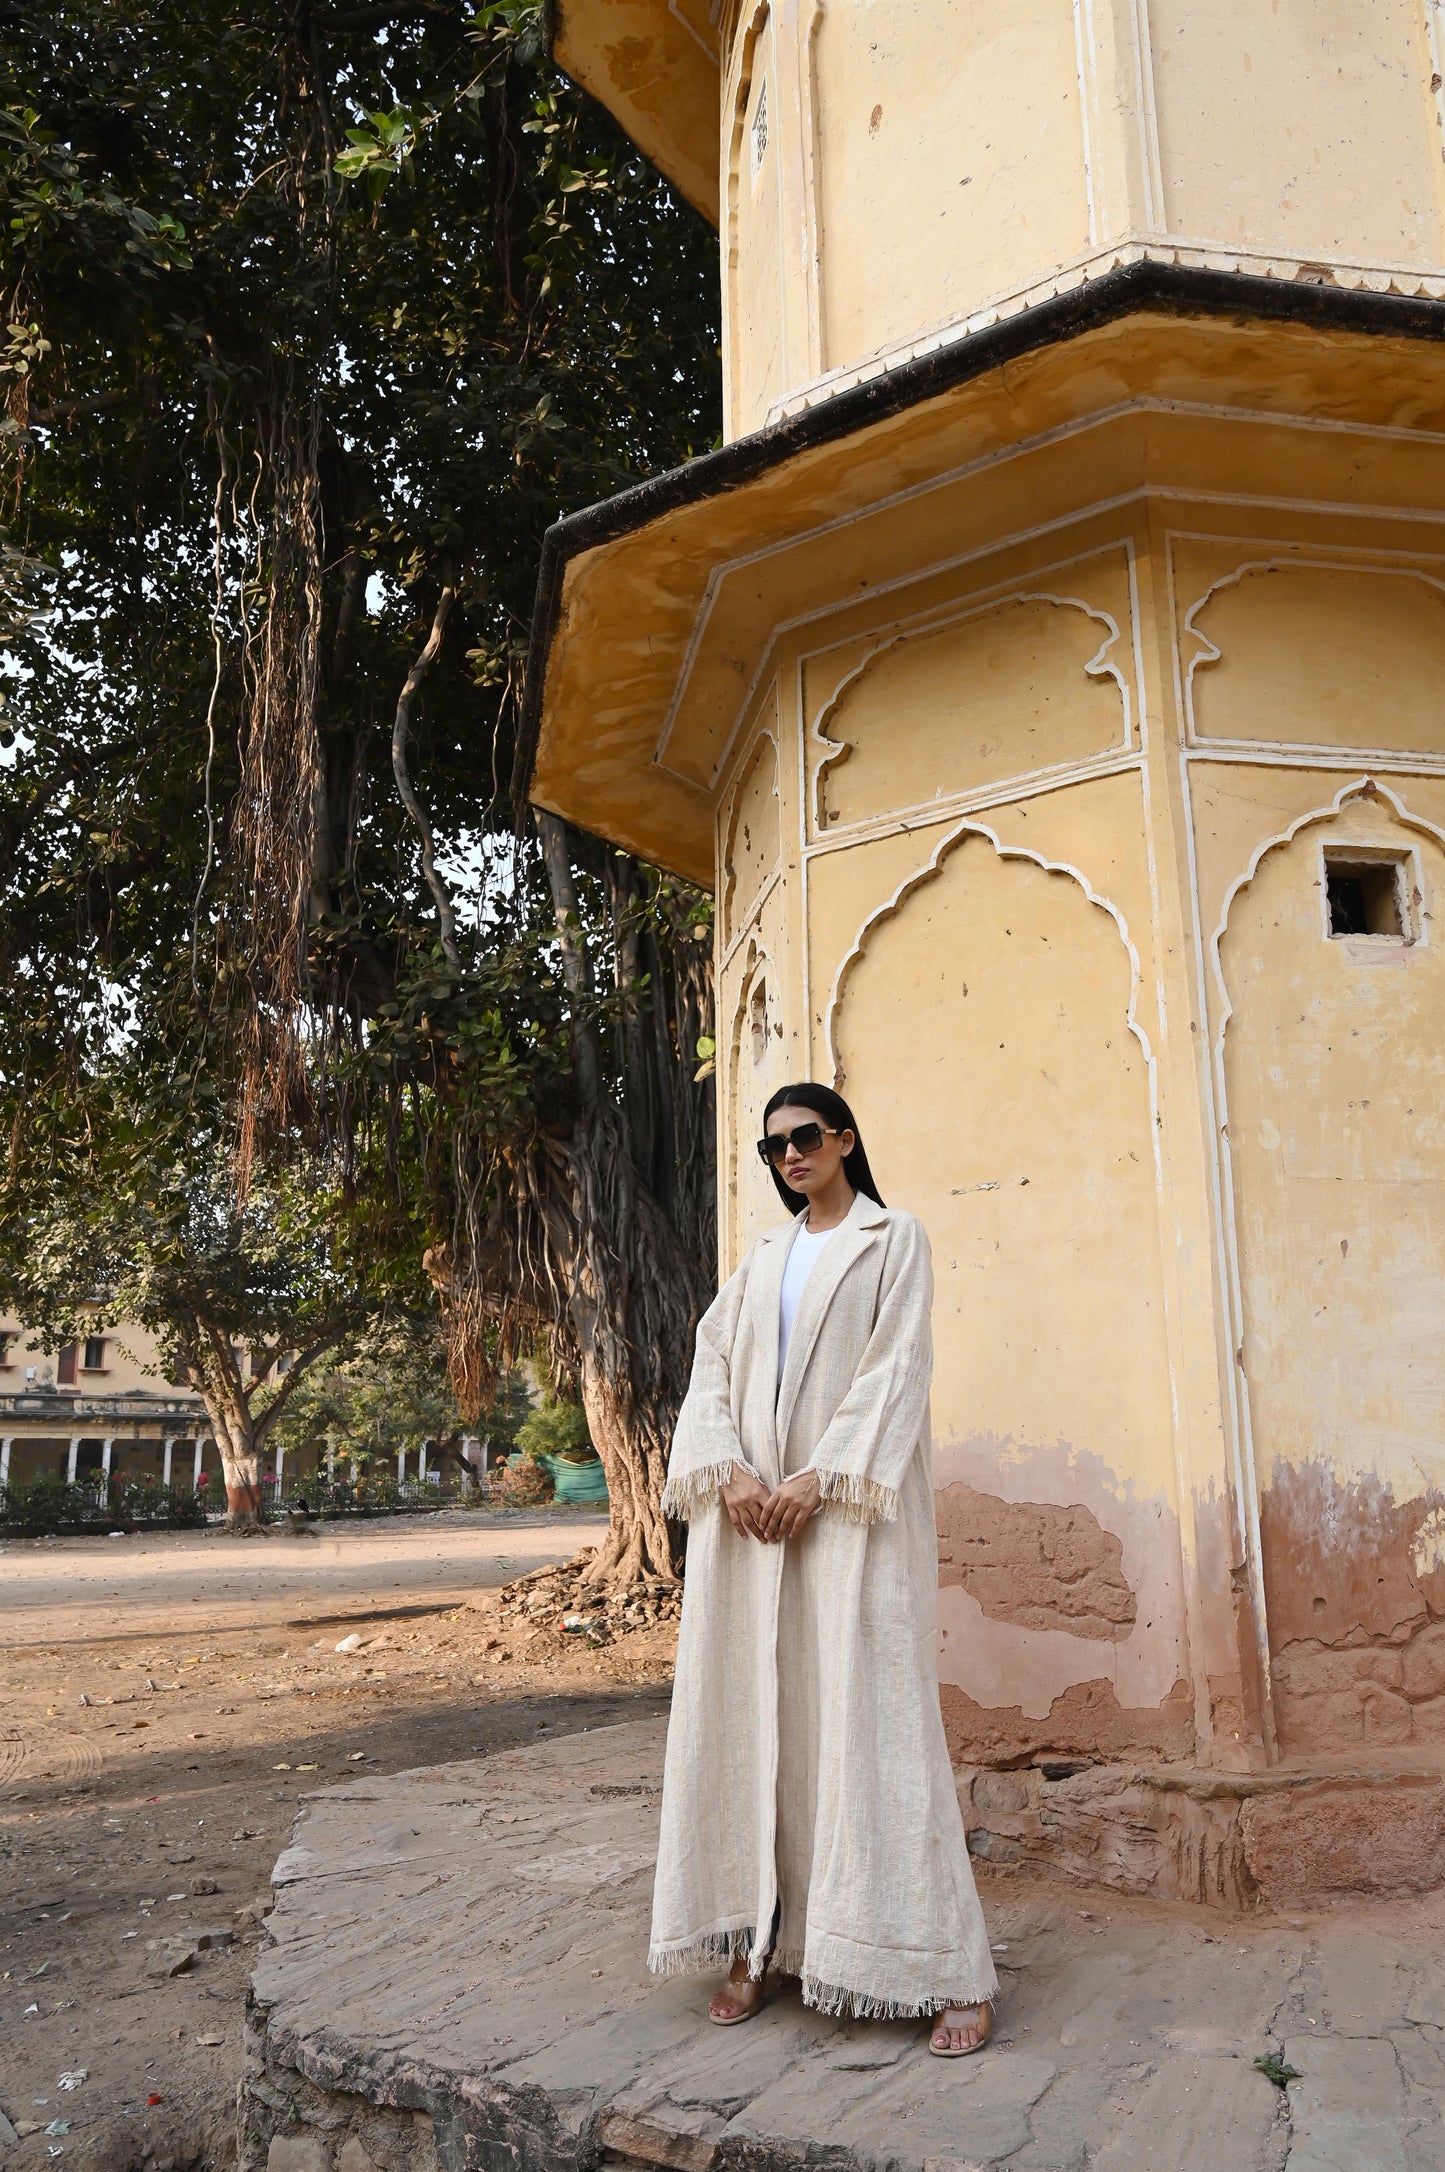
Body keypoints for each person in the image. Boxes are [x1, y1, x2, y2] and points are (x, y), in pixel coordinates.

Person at [650, 1082, 996, 2057]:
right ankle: (758, 1941)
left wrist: (817, 1478)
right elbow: (708, 1360)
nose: (789, 1156)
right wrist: (738, 1474)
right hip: (755, 1527)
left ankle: (947, 1969)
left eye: (804, 1138)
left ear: (843, 1140)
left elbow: (896, 1372)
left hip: (848, 1523)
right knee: (758, 1727)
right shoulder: (763, 1258)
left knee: (874, 1730)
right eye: (773, 1149)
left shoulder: (893, 1242)